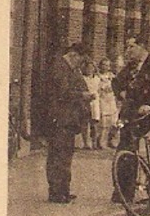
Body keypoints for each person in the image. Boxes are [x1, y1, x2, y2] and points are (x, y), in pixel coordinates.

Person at [112, 35, 150, 204]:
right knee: (125, 151)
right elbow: (116, 82)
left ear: (141, 47)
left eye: (131, 47)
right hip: (129, 115)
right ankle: (123, 191)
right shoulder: (130, 67)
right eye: (127, 47)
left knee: (148, 151)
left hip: (147, 115)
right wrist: (121, 93)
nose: (128, 51)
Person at [40, 42, 91, 203]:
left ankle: (63, 190)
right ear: (73, 55)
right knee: (58, 155)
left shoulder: (70, 69)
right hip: (59, 119)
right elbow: (63, 93)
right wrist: (82, 95)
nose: (80, 65)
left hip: (68, 120)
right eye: (80, 61)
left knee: (65, 155)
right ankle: (56, 192)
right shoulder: (59, 68)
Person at [96, 56, 120, 148]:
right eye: (104, 65)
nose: (105, 67)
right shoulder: (98, 76)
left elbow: (117, 88)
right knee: (104, 123)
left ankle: (112, 140)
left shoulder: (112, 77)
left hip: (111, 100)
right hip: (103, 100)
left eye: (107, 65)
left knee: (114, 122)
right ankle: (101, 141)